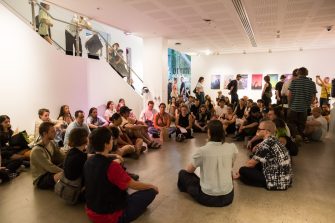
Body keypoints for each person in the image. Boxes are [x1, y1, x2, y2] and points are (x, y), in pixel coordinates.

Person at [84, 127, 158, 223]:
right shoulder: (112, 166)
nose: (113, 141)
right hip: (111, 216)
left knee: (122, 190)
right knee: (150, 192)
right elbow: (133, 185)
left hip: (91, 211)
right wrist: (151, 186)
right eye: (111, 139)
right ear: (106, 144)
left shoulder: (88, 162)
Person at [177, 120, 237, 207]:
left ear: (209, 133)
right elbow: (230, 166)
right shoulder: (232, 147)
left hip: (208, 197)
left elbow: (189, 170)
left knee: (183, 173)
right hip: (228, 196)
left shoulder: (203, 150)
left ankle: (185, 189)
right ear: (223, 132)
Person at [236, 121, 292, 190]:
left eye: (259, 129)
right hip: (286, 179)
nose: (257, 130)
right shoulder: (274, 140)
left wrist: (238, 172)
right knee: (256, 165)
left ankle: (260, 182)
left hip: (276, 182)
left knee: (243, 170)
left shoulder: (266, 144)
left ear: (267, 132)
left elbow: (250, 163)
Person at [30, 122, 65, 189]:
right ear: (44, 133)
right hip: (41, 178)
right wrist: (65, 171)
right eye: (52, 132)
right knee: (64, 174)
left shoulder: (51, 143)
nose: (55, 133)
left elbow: (60, 156)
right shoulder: (37, 150)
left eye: (55, 131)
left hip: (49, 172)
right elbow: (50, 167)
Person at [288, 67, 317, 141]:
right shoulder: (312, 83)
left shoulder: (294, 82)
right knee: (302, 124)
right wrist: (308, 104)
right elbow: (313, 97)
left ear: (298, 73)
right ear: (306, 73)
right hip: (304, 108)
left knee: (292, 123)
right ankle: (302, 137)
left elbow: (290, 95)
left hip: (294, 107)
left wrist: (289, 105)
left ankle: (294, 137)